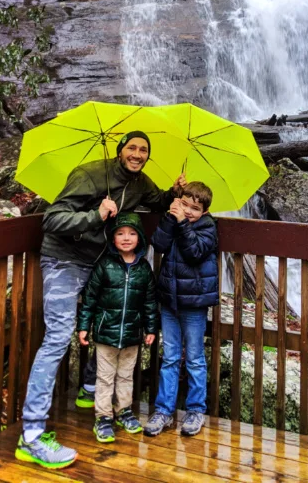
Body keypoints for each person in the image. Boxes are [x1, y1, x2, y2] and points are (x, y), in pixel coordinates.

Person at [15, 130, 185, 470]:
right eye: (132, 148)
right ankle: (31, 437)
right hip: (64, 260)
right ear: (120, 150)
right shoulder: (89, 174)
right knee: (58, 338)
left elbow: (156, 200)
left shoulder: (140, 182)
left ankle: (89, 387)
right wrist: (96, 215)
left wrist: (175, 193)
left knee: (113, 314)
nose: (137, 154)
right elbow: (52, 219)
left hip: (97, 262)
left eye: (143, 150)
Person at [144, 181, 219, 438]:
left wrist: (182, 224)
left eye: (194, 209)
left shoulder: (208, 227)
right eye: (184, 205)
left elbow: (195, 252)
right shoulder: (174, 219)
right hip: (169, 299)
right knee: (170, 357)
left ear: (204, 212)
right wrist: (169, 216)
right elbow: (159, 244)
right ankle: (164, 410)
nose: (188, 211)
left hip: (194, 303)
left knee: (195, 358)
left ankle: (196, 409)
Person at [77, 212, 158, 443]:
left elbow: (150, 302)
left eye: (132, 234)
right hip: (106, 334)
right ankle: (103, 417)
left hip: (132, 334)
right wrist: (84, 326)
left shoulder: (144, 269)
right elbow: (90, 297)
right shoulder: (104, 265)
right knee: (104, 377)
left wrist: (151, 329)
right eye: (120, 233)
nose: (126, 238)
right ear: (112, 239)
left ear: (140, 239)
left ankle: (123, 411)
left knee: (125, 376)